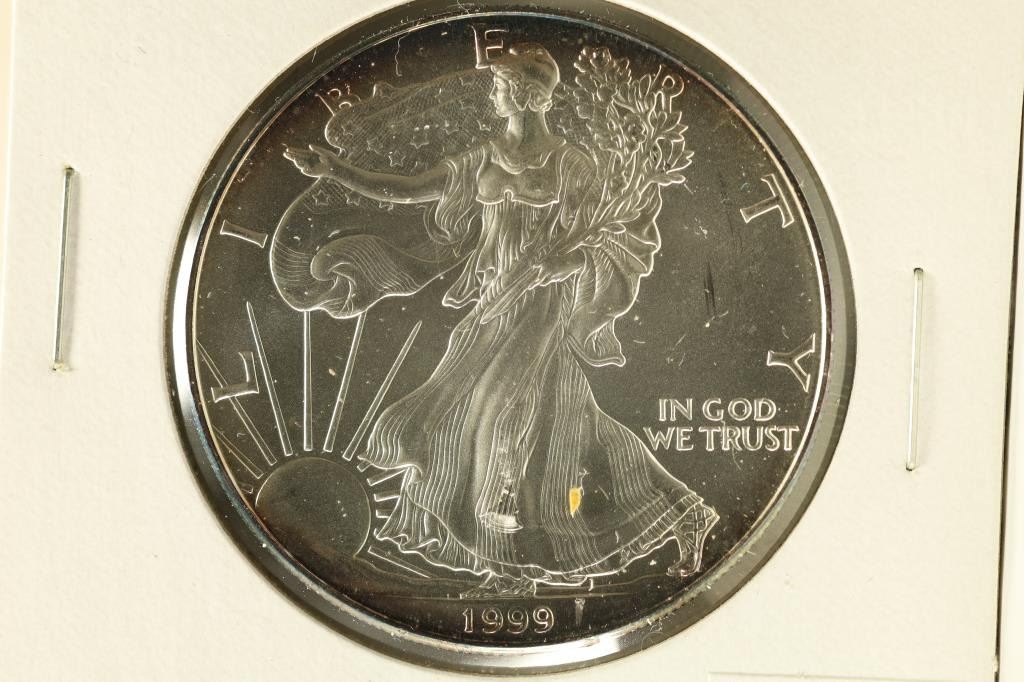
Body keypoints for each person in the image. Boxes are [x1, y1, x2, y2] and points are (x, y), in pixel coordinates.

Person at [285, 43, 718, 596]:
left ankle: (507, 557)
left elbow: (610, 240)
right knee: (563, 424)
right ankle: (682, 513)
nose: (492, 95)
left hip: (541, 308)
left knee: (495, 415)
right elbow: (412, 191)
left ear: (525, 95)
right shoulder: (481, 158)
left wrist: (562, 263)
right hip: (493, 304)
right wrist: (335, 170)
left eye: (498, 86)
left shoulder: (571, 164)